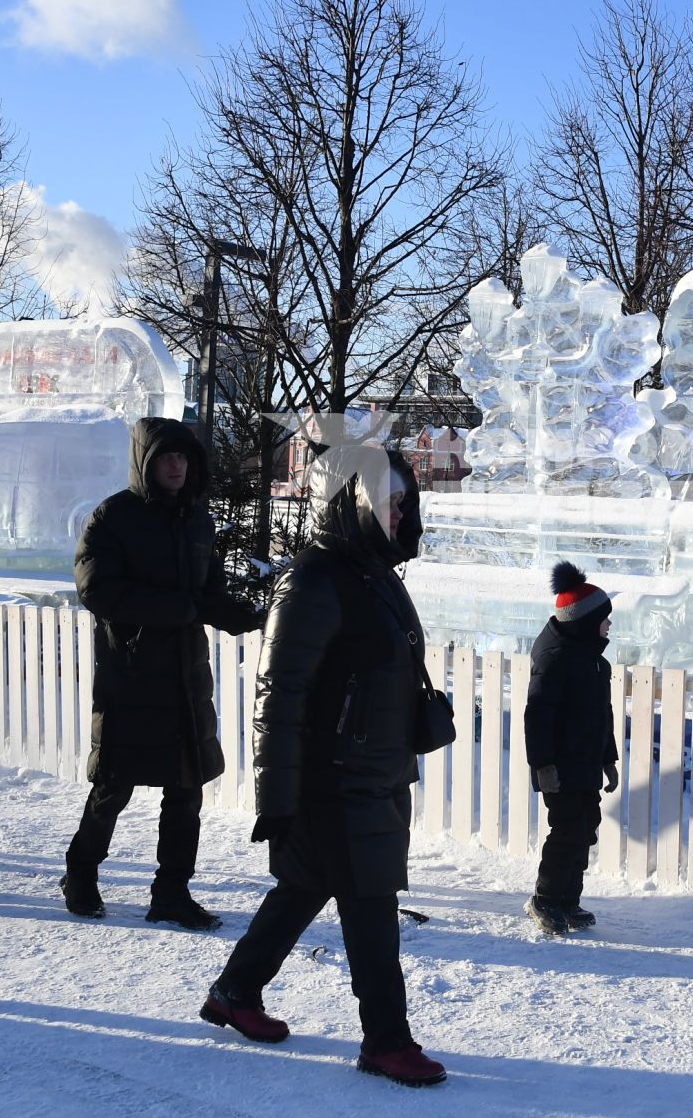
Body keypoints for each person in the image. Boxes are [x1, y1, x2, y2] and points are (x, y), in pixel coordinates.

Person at [199, 445, 447, 1088]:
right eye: (391, 501)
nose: (401, 514)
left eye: (404, 502)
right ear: (354, 500)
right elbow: (278, 696)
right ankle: (386, 1041)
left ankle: (235, 992)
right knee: (371, 906)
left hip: (374, 768)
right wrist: (276, 799)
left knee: (305, 887)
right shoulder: (312, 579)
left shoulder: (373, 573)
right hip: (332, 778)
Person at [61, 417, 262, 929]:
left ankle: (171, 891)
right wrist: (178, 609)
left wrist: (246, 615)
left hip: (186, 676)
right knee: (114, 783)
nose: (177, 466)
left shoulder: (198, 518)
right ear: (145, 462)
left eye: (184, 457)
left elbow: (207, 593)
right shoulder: (113, 517)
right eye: (167, 457)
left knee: (186, 789)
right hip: (131, 673)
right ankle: (80, 872)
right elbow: (97, 591)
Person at [521, 561, 619, 935]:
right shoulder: (555, 660)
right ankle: (545, 899)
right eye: (604, 619)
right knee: (566, 830)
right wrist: (543, 764)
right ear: (583, 621)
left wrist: (608, 759)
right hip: (561, 766)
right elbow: (538, 716)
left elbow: (603, 716)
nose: (609, 625)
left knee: (585, 828)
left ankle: (568, 900)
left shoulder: (595, 662)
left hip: (586, 763)